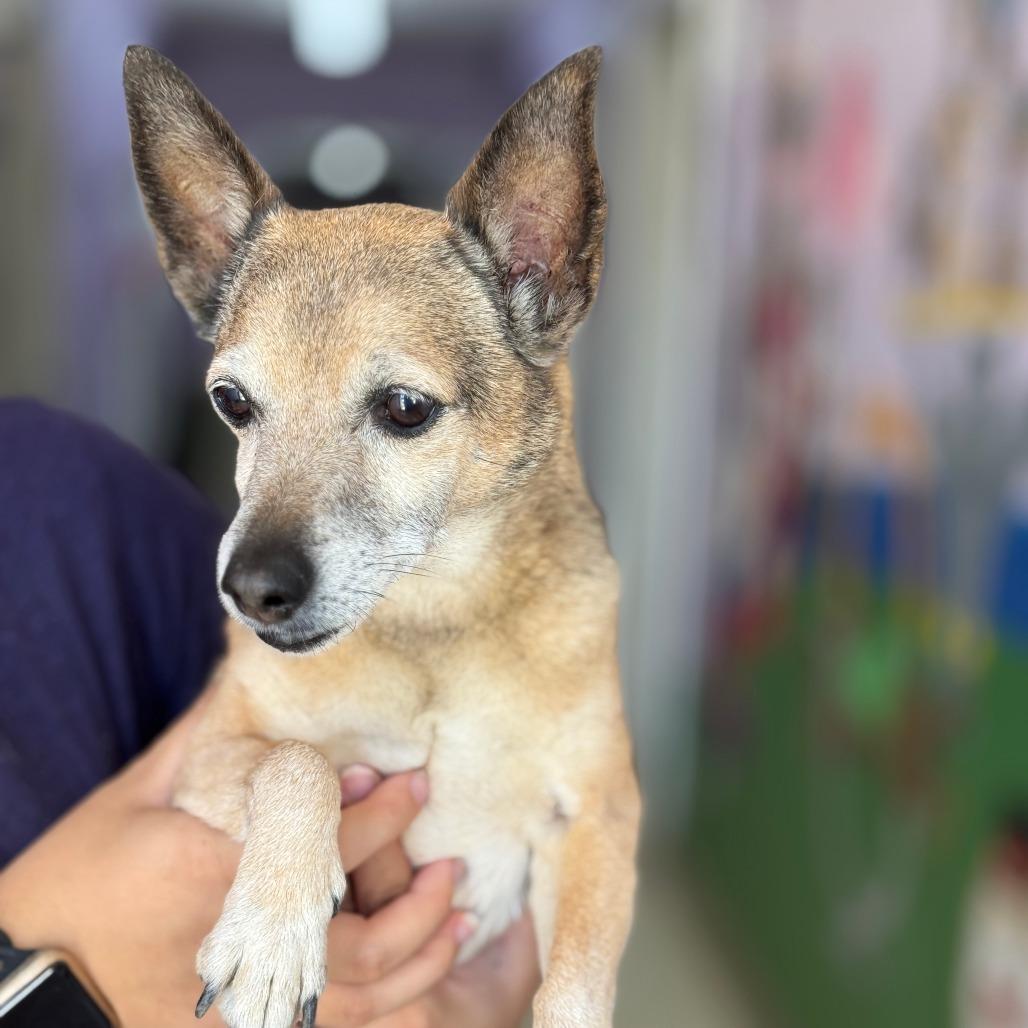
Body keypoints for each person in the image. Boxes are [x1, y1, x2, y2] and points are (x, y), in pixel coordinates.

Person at [0, 400, 538, 1026]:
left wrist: (476, 997)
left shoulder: (59, 496)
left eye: (402, 410)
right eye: (240, 406)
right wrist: (38, 993)